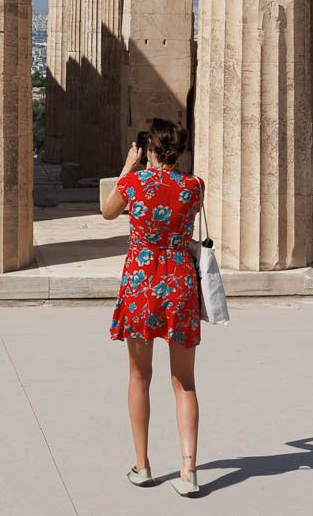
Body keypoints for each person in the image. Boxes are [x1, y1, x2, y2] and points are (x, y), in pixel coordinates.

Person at [101, 117, 205, 496]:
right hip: (179, 281)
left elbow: (108, 211)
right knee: (185, 383)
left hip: (142, 281)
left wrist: (129, 167)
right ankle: (189, 472)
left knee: (139, 376)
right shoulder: (194, 186)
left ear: (149, 149)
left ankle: (143, 466)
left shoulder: (133, 183)